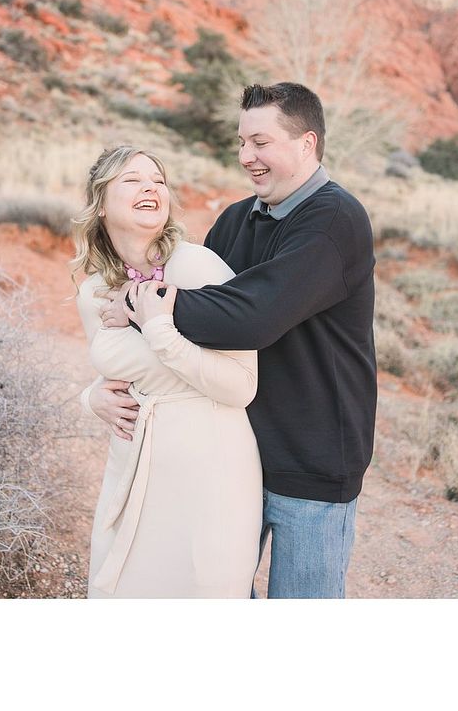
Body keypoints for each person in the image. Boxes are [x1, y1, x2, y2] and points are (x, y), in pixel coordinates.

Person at [90, 82, 376, 598]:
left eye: (260, 143)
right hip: (238, 457)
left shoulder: (335, 220)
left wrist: (143, 302)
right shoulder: (235, 220)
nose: (247, 157)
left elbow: (253, 316)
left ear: (307, 143)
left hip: (310, 463)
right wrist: (94, 392)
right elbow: (194, 333)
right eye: (242, 143)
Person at [73, 146, 260, 597]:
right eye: (132, 179)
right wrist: (92, 396)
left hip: (211, 468)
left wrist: (157, 325)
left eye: (157, 179)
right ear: (101, 203)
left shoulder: (199, 267)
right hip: (133, 466)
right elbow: (122, 368)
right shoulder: (94, 291)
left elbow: (242, 387)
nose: (150, 187)